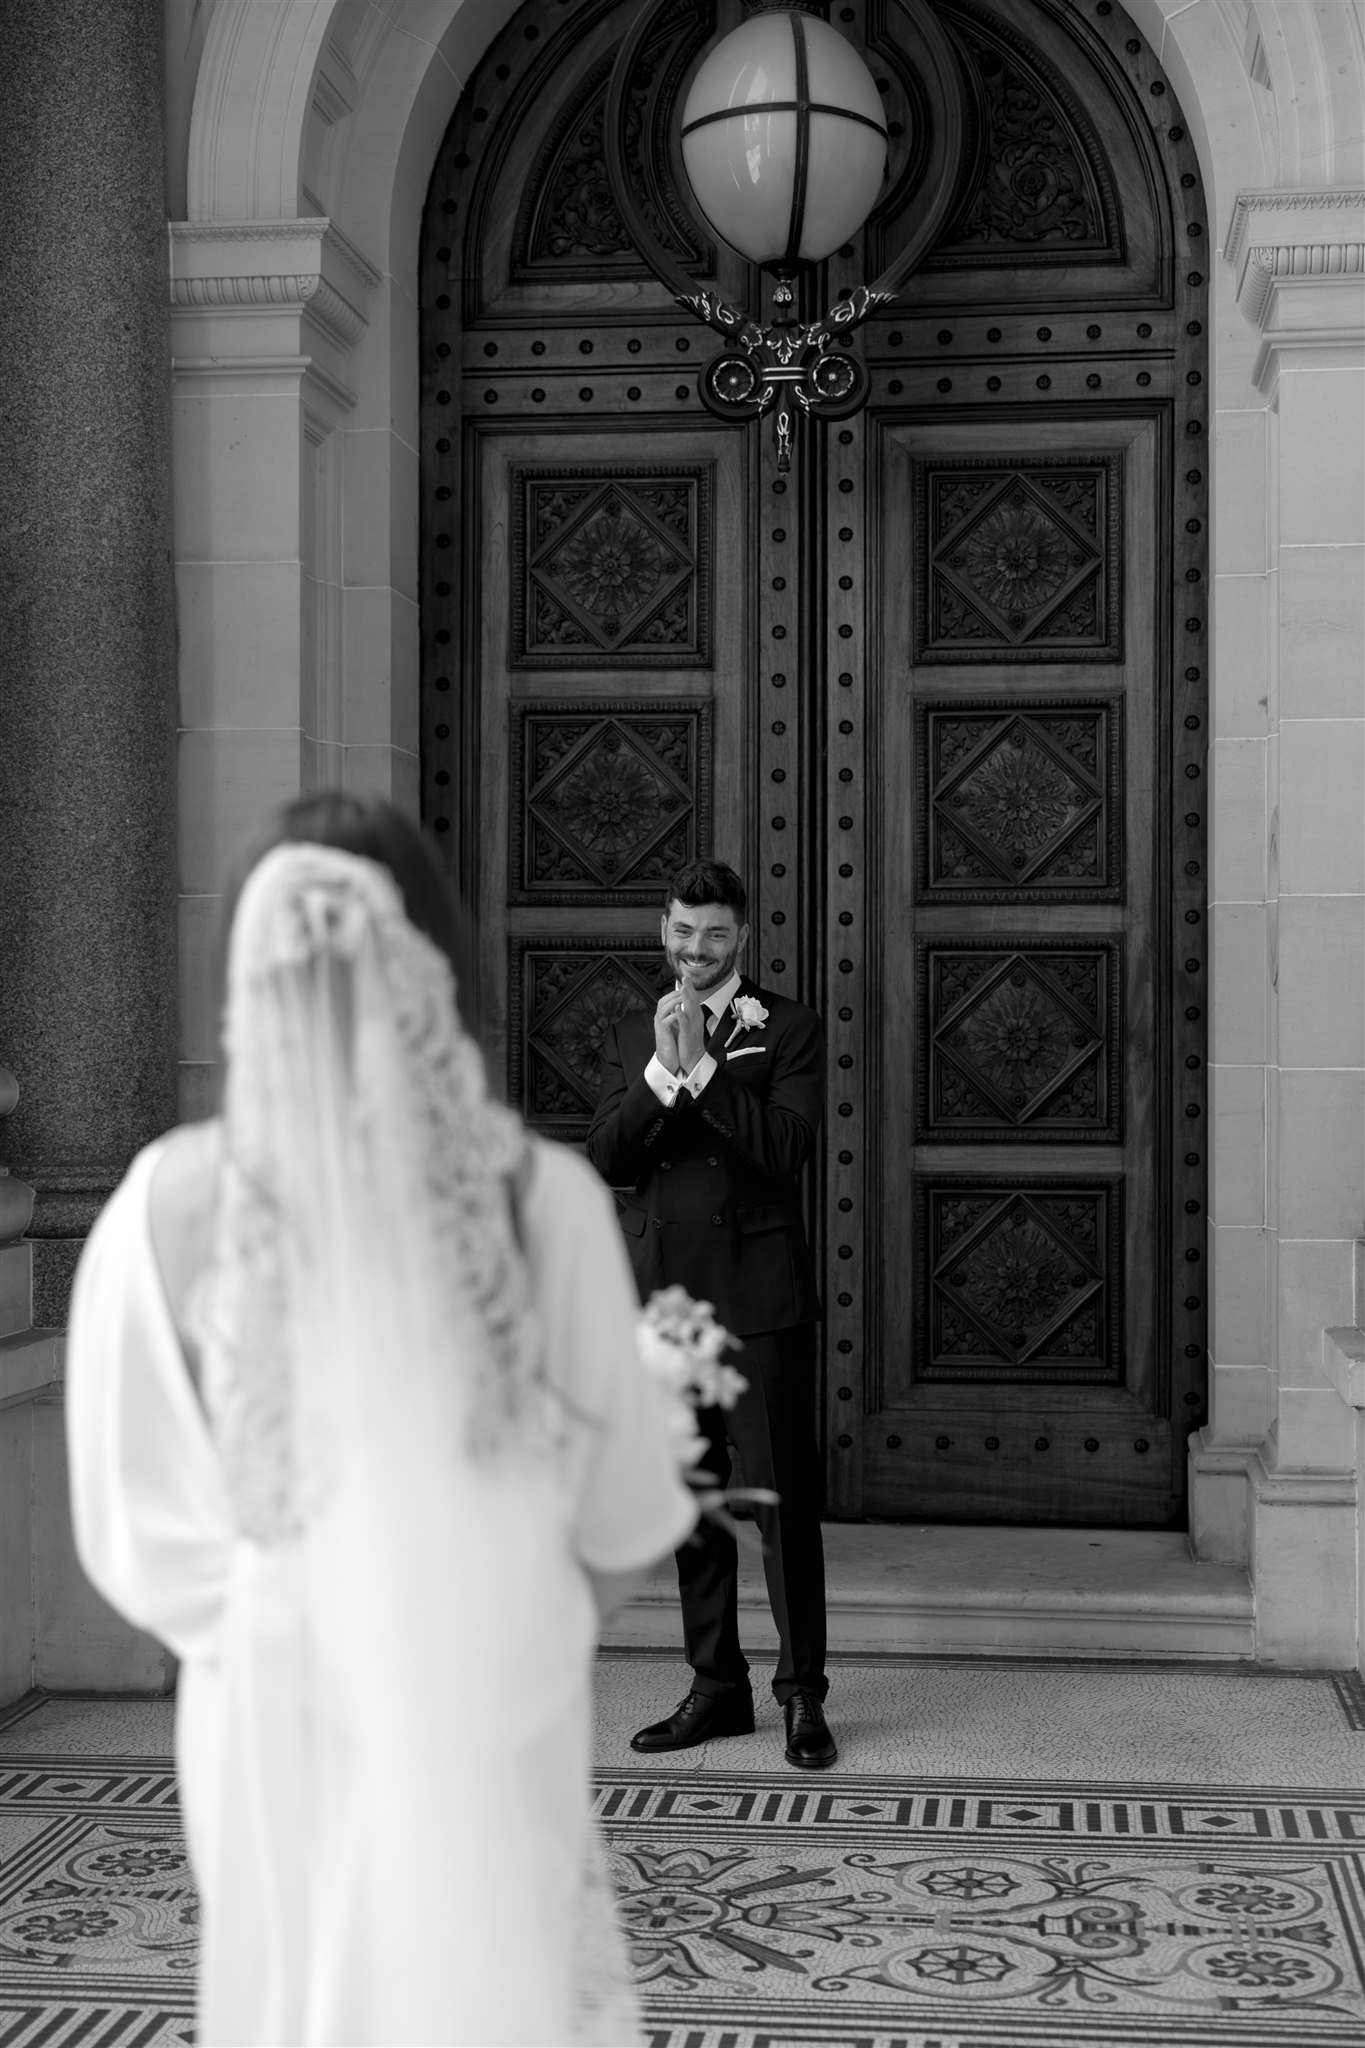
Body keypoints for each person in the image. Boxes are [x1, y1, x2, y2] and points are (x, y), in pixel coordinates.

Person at [64, 792, 697, 2048]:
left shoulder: (161, 1206)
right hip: (497, 1687)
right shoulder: (549, 1197)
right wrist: (475, 1613)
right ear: (445, 965)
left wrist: (289, 1621)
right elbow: (623, 1519)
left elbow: (133, 1525)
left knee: (293, 1998)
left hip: (263, 1705)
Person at [587, 860, 835, 1770]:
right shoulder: (627, 1031)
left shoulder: (791, 1029)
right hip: (668, 1302)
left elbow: (785, 1152)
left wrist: (704, 1069)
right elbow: (609, 1156)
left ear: (742, 938)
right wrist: (661, 1069)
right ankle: (716, 1687)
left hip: (758, 1298)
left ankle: (802, 1693)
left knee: (779, 1504)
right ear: (665, 931)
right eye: (683, 933)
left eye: (715, 936)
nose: (696, 952)